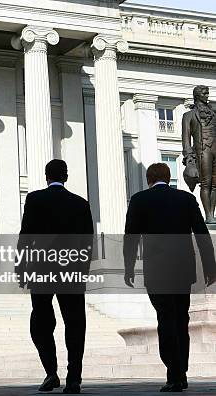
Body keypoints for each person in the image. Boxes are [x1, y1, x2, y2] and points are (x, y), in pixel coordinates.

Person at [123, 163, 216, 392]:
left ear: (149, 179)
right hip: (182, 269)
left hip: (156, 270)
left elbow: (130, 238)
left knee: (165, 318)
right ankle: (181, 371)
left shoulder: (139, 200)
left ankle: (173, 373)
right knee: (181, 319)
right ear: (169, 178)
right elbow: (201, 234)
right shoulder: (186, 199)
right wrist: (210, 268)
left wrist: (128, 267)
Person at [16, 159, 94, 394]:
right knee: (75, 323)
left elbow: (25, 235)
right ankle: (74, 378)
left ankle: (51, 372)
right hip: (72, 271)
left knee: (40, 321)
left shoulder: (34, 199)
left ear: (46, 177)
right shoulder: (80, 203)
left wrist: (20, 268)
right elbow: (88, 242)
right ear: (66, 177)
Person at [182, 85, 216, 223]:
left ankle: (212, 214)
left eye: (207, 93)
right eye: (204, 93)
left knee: (215, 184)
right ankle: (208, 215)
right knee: (206, 183)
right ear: (197, 95)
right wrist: (189, 157)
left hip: (215, 148)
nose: (207, 96)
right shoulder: (189, 115)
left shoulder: (214, 113)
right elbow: (186, 139)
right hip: (203, 150)